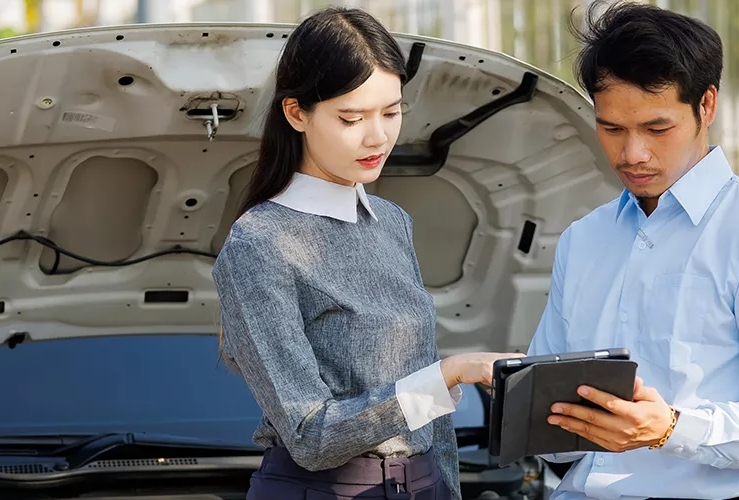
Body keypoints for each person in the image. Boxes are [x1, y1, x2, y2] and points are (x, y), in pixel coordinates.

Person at [211, 7, 523, 500]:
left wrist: (447, 488)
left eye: (392, 112)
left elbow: (428, 410)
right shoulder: (260, 243)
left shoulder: (392, 222)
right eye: (351, 118)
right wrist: (448, 374)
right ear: (296, 113)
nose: (378, 137)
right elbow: (310, 437)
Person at [526, 2, 739, 499]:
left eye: (656, 129)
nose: (632, 154)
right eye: (612, 128)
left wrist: (671, 428)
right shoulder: (583, 238)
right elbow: (550, 428)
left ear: (706, 106)